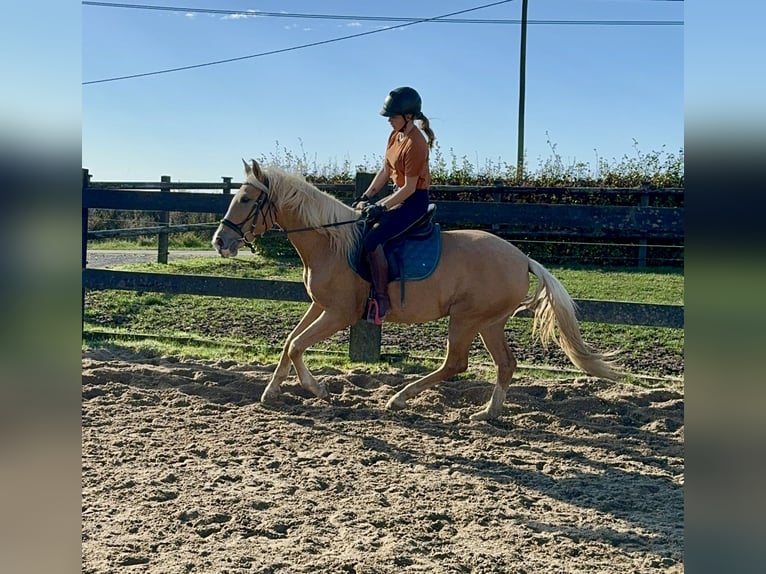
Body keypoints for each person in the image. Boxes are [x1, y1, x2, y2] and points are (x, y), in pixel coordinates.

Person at [353, 86, 437, 325]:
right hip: (398, 197)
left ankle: (381, 300)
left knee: (373, 240)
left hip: (413, 203)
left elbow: (410, 188)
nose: (389, 120)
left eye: (393, 116)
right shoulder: (395, 136)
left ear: (408, 116)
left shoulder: (416, 144)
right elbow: (385, 170)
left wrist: (381, 206)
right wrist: (367, 197)